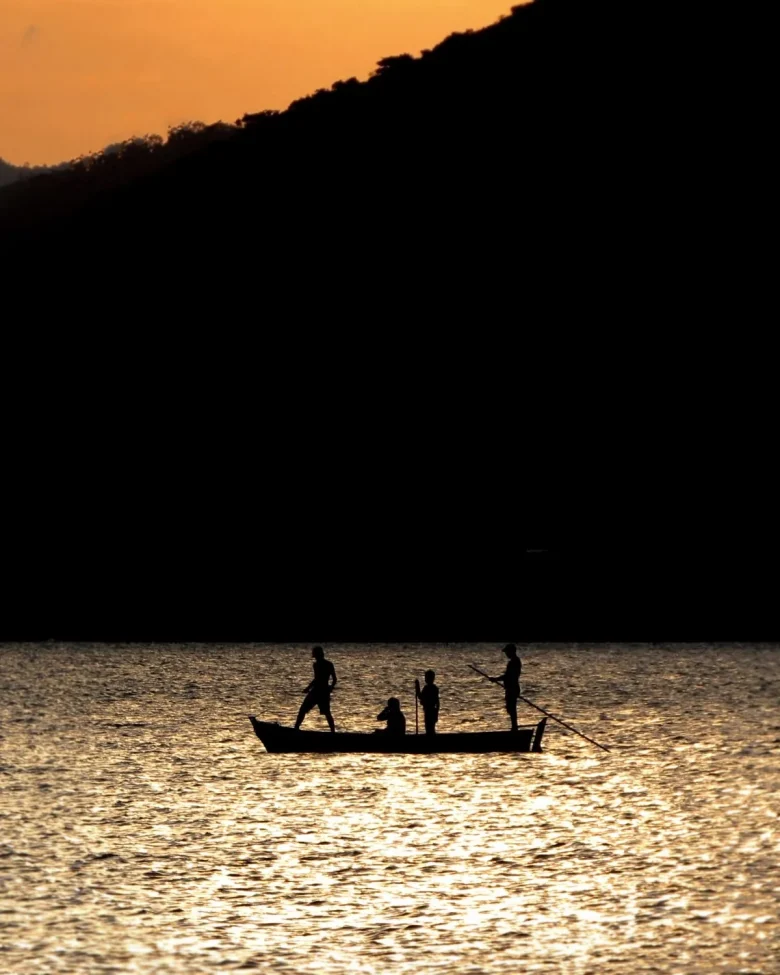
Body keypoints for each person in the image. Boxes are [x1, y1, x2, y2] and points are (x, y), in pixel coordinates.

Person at [294, 646, 337, 732]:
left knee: (326, 713)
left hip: (321, 692)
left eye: (315, 654)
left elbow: (333, 679)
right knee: (303, 710)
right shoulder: (317, 665)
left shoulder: (327, 664)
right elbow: (316, 679)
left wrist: (330, 688)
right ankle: (296, 728)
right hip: (317, 691)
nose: (315, 657)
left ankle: (333, 732)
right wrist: (308, 688)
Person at [490, 643, 522, 732]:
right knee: (510, 708)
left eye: (507, 652)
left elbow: (508, 676)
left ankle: (514, 728)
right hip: (511, 688)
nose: (506, 654)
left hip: (512, 689)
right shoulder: (514, 661)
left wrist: (495, 679)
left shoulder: (514, 662)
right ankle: (514, 727)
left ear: (511, 652)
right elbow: (508, 676)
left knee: (511, 709)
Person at [415, 669, 440, 735]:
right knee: (430, 728)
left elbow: (420, 697)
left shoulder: (428, 688)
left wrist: (417, 687)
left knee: (429, 728)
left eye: (426, 677)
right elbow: (438, 703)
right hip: (432, 711)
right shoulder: (434, 688)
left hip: (429, 711)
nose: (425, 679)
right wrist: (436, 712)